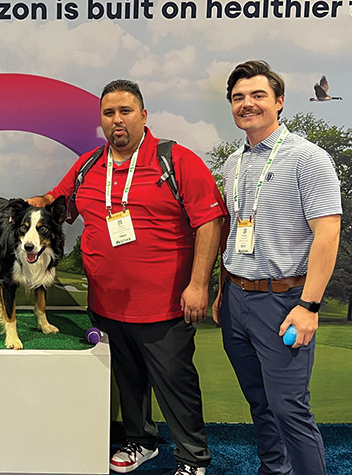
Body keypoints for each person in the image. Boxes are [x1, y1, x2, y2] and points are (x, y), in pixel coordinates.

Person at [28, 79, 225, 475]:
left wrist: (200, 284)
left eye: (125, 111)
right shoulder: (87, 164)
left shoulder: (176, 160)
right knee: (128, 383)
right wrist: (28, 205)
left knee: (175, 384)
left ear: (144, 115)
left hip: (165, 305)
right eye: (108, 113)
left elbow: (210, 222)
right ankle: (141, 441)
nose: (117, 120)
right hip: (106, 304)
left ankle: (192, 458)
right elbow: (55, 200)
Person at [212, 60, 341, 475]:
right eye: (238, 98)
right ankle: (274, 470)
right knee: (260, 403)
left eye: (257, 95)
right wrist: (221, 291)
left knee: (290, 411)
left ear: (279, 102)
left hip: (285, 301)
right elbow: (233, 233)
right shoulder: (233, 164)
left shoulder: (309, 158)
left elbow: (327, 235)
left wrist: (309, 307)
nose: (247, 104)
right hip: (236, 300)